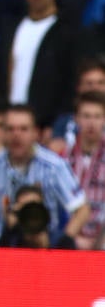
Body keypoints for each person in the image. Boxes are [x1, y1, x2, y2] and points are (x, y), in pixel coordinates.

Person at [0, 103, 87, 246]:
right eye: (10, 129)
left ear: (35, 133)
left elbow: (81, 209)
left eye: (23, 129)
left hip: (43, 247)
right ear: (3, 133)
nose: (16, 135)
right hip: (0, 248)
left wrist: (64, 241)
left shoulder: (54, 166)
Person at [0, 0, 72, 126]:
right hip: (9, 122)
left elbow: (68, 83)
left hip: (45, 126)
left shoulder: (67, 32)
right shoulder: (11, 28)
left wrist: (53, 124)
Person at [65, 89, 105, 248]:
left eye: (97, 116)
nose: (91, 123)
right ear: (76, 119)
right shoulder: (62, 157)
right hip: (69, 238)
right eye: (86, 116)